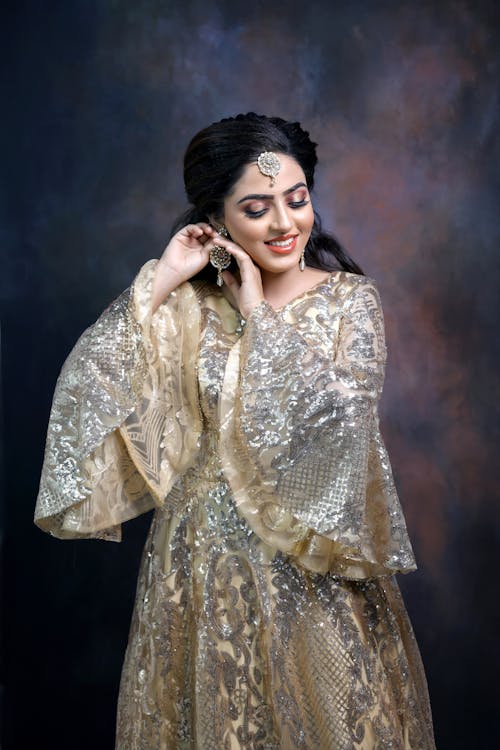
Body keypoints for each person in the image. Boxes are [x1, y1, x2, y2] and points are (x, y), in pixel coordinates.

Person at [35, 113, 435, 749]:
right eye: (257, 208)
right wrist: (163, 277)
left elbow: (337, 416)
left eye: (297, 200)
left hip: (311, 568)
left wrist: (255, 312)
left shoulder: (349, 302)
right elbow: (93, 385)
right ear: (218, 222)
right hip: (197, 568)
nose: (285, 224)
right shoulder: (190, 306)